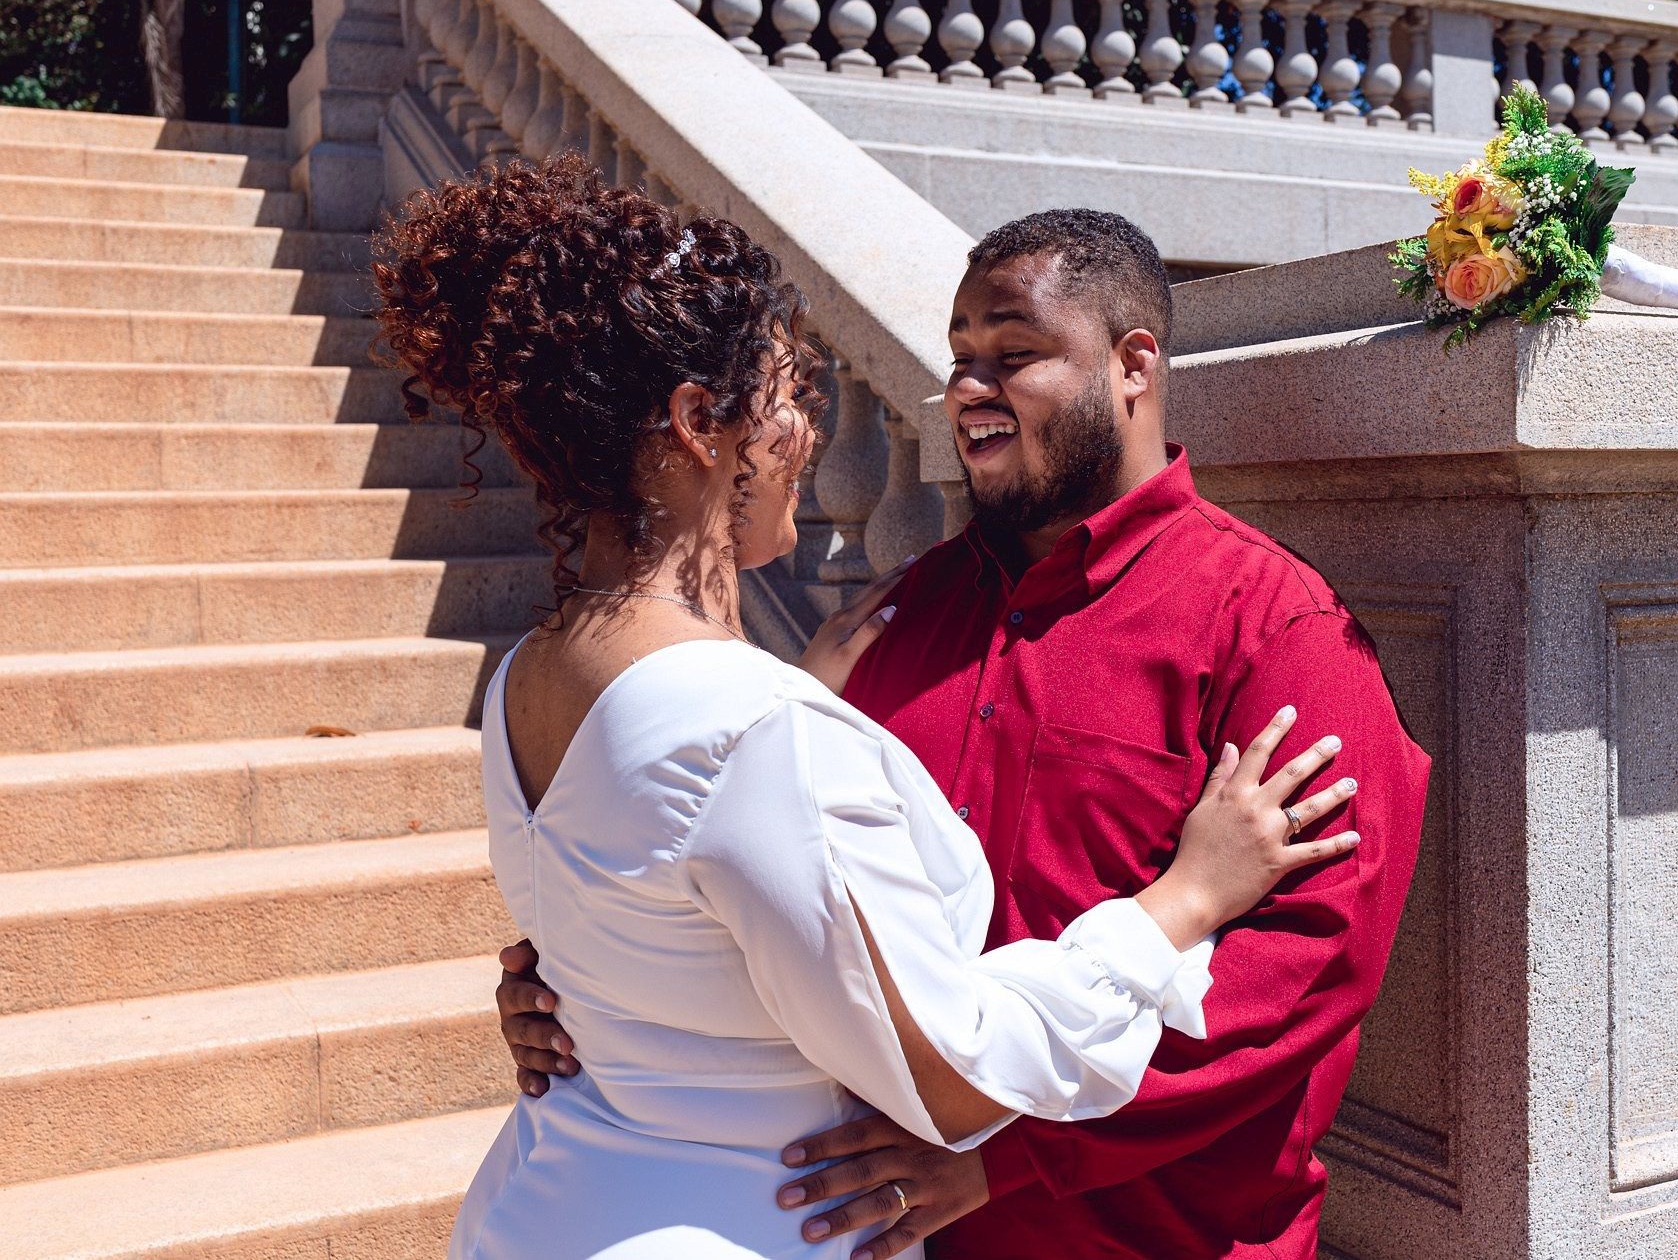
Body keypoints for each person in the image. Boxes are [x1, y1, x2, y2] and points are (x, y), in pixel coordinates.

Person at [373, 159, 1363, 1260]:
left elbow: (1310, 963)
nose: (965, 392)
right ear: (702, 425)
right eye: (959, 361)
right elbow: (740, 890)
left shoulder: (1272, 624)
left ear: (1134, 368)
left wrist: (1007, 1161)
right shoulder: (867, 644)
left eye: (1013, 355)